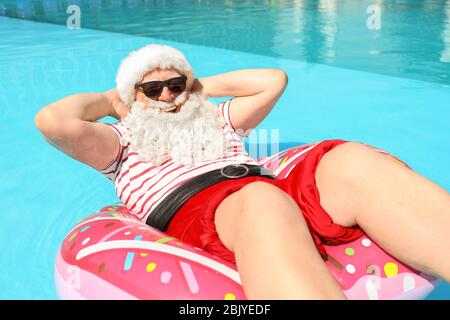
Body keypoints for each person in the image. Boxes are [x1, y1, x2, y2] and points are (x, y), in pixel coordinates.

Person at [35, 44, 450, 300]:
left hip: (265, 185)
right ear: (132, 99)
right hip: (200, 210)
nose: (166, 96)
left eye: (174, 85)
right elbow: (53, 122)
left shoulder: (216, 118)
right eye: (151, 89)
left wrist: (197, 88)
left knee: (351, 160)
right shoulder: (122, 141)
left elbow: (273, 80)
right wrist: (113, 101)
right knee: (260, 202)